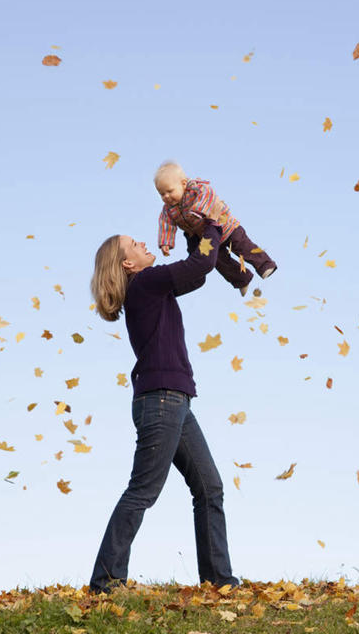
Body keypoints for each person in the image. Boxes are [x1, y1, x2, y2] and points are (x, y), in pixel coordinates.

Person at [87, 195, 240, 594]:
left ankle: (218, 582)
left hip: (172, 403)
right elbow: (202, 265)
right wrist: (210, 221)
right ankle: (105, 582)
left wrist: (196, 236)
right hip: (162, 401)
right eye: (134, 244)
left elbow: (197, 271)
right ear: (128, 264)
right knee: (142, 491)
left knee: (210, 487)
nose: (143, 242)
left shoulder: (151, 289)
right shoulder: (148, 284)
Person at [154, 160, 277, 297]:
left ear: (183, 184)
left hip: (225, 226)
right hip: (206, 236)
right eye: (162, 194)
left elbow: (208, 195)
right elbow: (166, 224)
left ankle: (265, 265)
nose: (166, 197)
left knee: (242, 246)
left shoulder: (196, 189)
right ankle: (241, 280)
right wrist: (166, 242)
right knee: (218, 261)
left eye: (170, 191)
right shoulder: (168, 210)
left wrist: (200, 211)